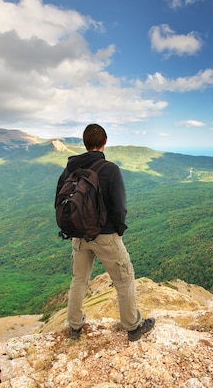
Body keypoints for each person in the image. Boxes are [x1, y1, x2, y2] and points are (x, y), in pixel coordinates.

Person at [55, 124, 155, 342]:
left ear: (84, 143)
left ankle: (74, 326)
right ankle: (133, 327)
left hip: (78, 235)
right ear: (105, 141)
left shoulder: (69, 169)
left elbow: (60, 200)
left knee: (79, 280)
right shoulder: (109, 169)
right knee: (124, 279)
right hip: (105, 235)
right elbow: (119, 206)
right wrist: (119, 230)